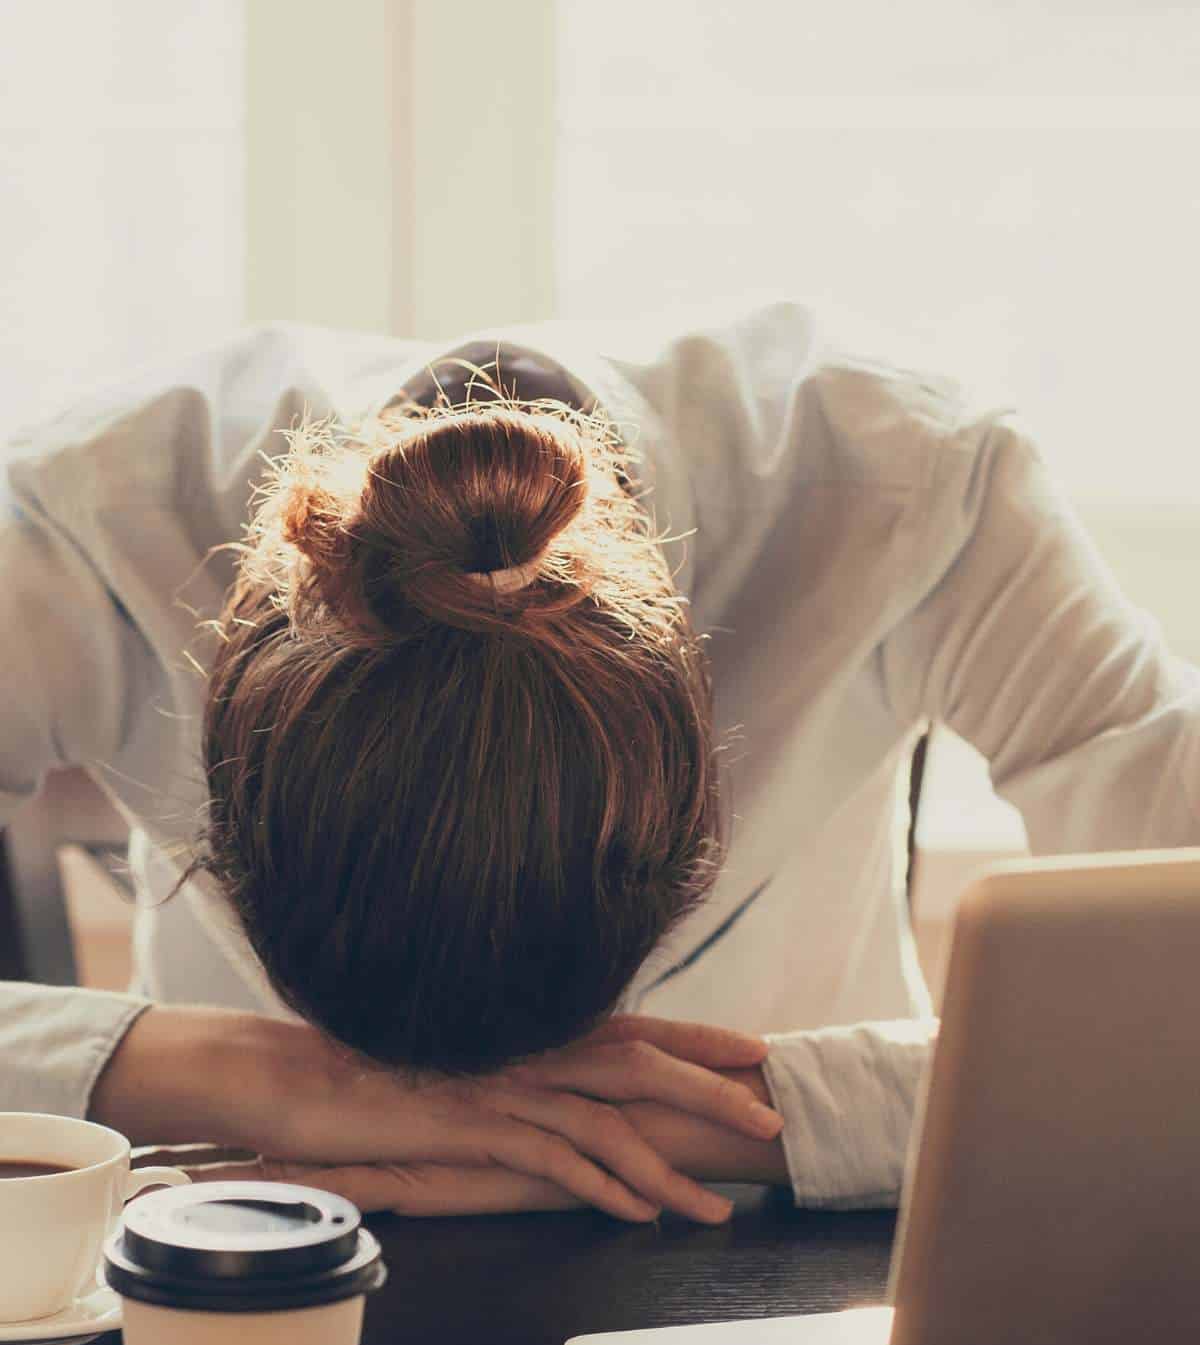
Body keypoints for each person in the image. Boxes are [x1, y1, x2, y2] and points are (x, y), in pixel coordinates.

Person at [3, 299, 1197, 1224]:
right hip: (255, 1227)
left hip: (792, 1249)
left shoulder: (921, 480)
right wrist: (234, 1073)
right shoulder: (83, 516)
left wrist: (757, 1123)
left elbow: (1173, 981)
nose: (481, 1116)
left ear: (697, 805)